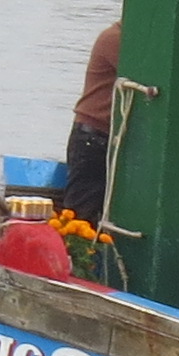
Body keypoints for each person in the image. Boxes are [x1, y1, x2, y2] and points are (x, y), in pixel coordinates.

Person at [58, 20, 123, 225]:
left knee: (93, 214)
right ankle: (74, 254)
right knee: (80, 217)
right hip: (93, 137)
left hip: (105, 137)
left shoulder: (121, 38)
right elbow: (149, 76)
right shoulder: (115, 39)